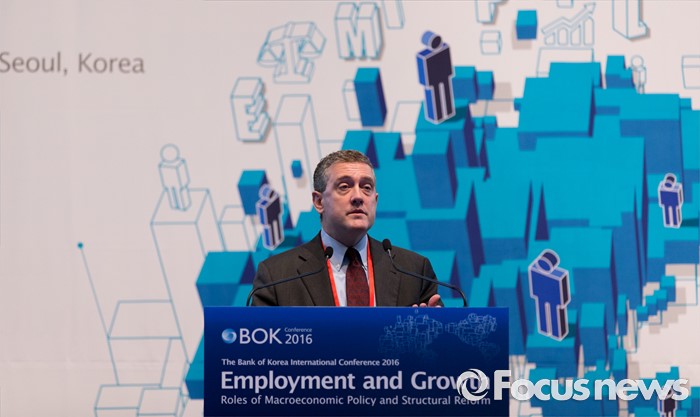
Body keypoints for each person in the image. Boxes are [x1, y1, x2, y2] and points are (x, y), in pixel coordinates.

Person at [251, 150, 442, 307]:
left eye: (366, 187)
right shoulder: (278, 276)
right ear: (318, 201)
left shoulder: (414, 270)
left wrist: (433, 331)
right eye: (344, 186)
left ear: (375, 201)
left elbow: (439, 339)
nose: (358, 196)